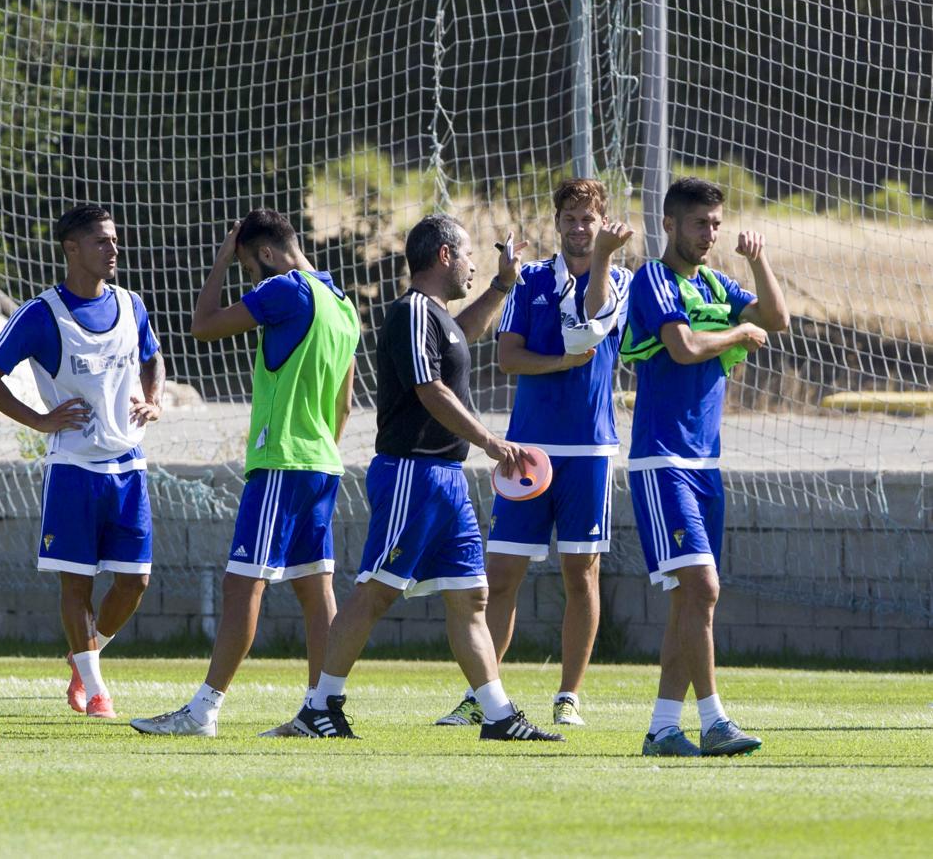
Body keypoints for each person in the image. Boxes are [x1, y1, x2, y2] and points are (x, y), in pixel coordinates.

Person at [292, 213, 564, 742]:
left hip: (447, 480)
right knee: (377, 591)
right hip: (411, 476)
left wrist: (503, 284)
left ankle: (498, 715)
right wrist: (490, 441)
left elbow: (462, 337)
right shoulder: (412, 311)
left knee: (470, 598)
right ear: (443, 255)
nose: (472, 265)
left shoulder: (437, 318)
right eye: (467, 255)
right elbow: (429, 387)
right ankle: (318, 708)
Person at [130, 209, 360, 737]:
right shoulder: (342, 304)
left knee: (242, 585)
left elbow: (203, 326)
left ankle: (203, 710)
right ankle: (321, 708)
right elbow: (345, 404)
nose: (252, 280)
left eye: (247, 267)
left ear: (266, 254)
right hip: (324, 464)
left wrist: (217, 263)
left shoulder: (287, 289)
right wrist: (319, 448)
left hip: (281, 461)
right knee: (314, 588)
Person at [434, 179, 633, 729]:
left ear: (601, 223)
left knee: (581, 576)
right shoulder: (531, 280)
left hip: (590, 450)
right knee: (501, 575)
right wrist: (559, 366)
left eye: (587, 219)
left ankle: (569, 695)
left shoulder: (619, 279)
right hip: (526, 450)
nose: (576, 227)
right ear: (558, 222)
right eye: (568, 218)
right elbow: (508, 359)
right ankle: (485, 696)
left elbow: (592, 321)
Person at [621, 177, 789, 757]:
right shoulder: (651, 279)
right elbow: (683, 347)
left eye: (716, 225)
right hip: (661, 460)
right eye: (700, 224)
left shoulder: (716, 280)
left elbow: (777, 317)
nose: (710, 235)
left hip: (704, 462)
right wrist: (741, 332)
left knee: (690, 600)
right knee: (704, 586)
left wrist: (760, 262)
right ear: (669, 224)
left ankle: (663, 728)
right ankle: (714, 720)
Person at [0, 204, 165, 720]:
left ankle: (86, 655)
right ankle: (95, 688)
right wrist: (38, 420)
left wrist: (155, 397)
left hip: (128, 466)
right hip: (73, 470)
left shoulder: (131, 305)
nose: (114, 250)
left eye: (114, 240)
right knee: (76, 581)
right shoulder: (43, 314)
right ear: (73, 249)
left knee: (135, 581)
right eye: (103, 241)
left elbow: (153, 357)